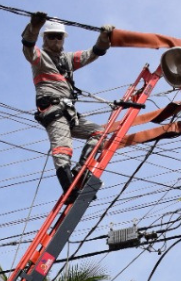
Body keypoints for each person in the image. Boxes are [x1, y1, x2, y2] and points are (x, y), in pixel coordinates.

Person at [21, 12, 114, 197]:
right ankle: (68, 189)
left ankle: (81, 170)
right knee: (63, 147)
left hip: (69, 113)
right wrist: (34, 27)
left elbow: (92, 53)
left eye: (59, 36)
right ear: (45, 39)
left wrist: (104, 40)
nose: (55, 39)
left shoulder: (67, 59)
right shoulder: (40, 58)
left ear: (64, 39)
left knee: (99, 133)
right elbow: (28, 49)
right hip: (53, 110)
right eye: (51, 36)